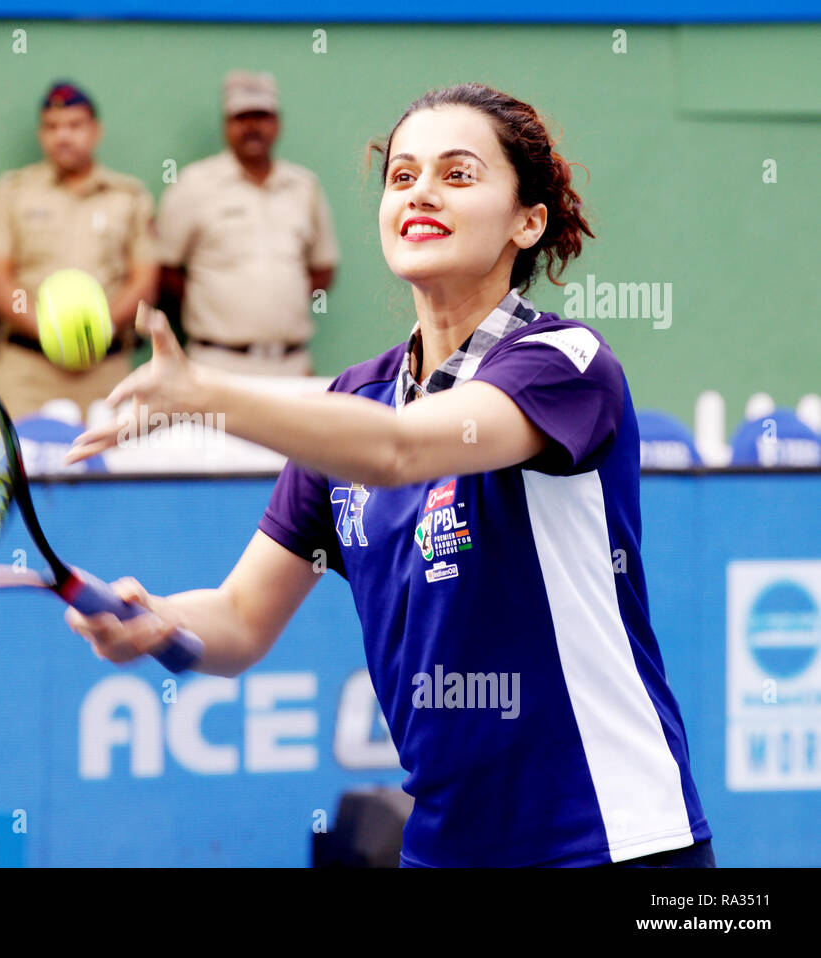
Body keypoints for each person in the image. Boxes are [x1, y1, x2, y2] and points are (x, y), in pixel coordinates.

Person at [63, 82, 714, 868]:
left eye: (458, 174)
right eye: (401, 176)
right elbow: (239, 619)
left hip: (615, 844)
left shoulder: (565, 366)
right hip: (444, 850)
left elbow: (400, 451)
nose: (421, 193)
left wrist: (201, 396)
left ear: (527, 220)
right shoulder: (353, 402)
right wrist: (160, 626)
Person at [0, 81, 158, 420]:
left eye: (75, 126)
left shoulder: (129, 196)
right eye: (52, 127)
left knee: (114, 468)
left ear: (96, 131)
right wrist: (53, 334)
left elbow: (144, 282)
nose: (63, 136)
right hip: (27, 370)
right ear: (41, 134)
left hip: (106, 369)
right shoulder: (11, 192)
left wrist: (94, 332)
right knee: (20, 466)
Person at [156, 70, 339, 376]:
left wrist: (276, 297)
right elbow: (164, 269)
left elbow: (323, 268)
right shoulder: (194, 184)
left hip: (291, 364)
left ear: (278, 123)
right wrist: (213, 300)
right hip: (215, 364)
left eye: (262, 116)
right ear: (226, 125)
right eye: (241, 117)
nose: (252, 127)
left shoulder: (303, 186)